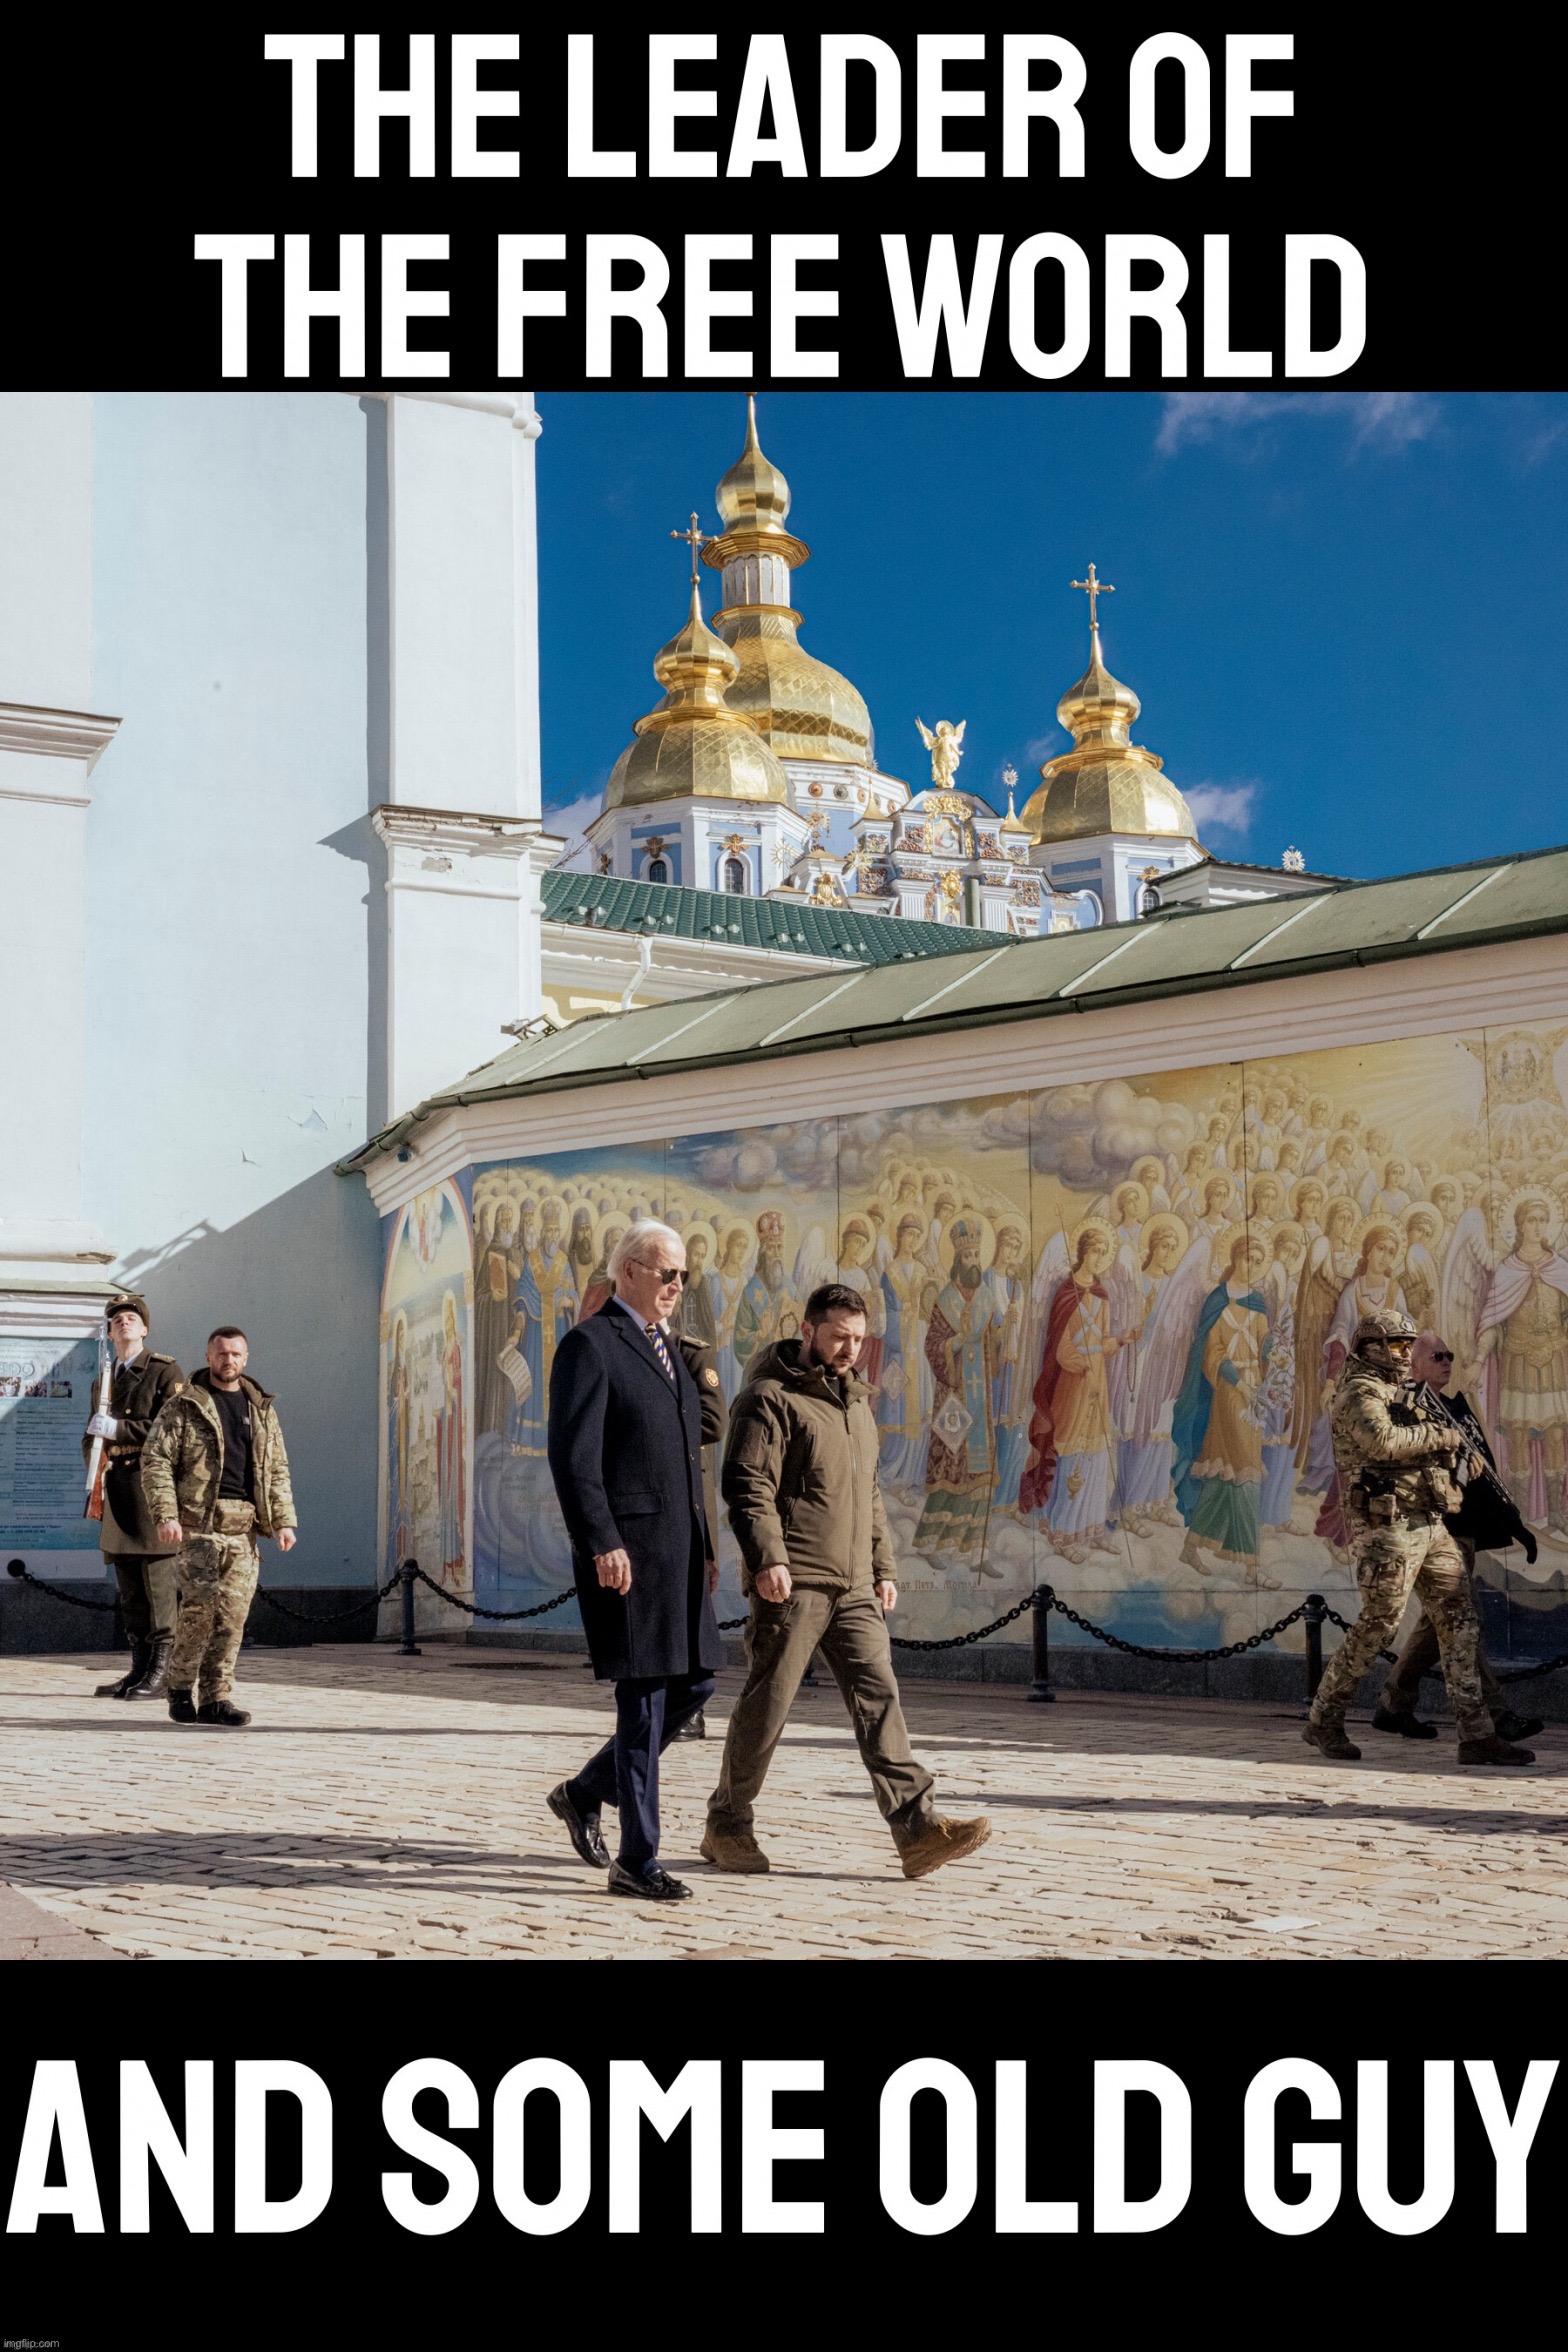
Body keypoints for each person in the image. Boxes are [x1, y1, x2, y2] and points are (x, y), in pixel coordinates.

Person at [703, 1282, 992, 1880]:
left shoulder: (856, 1403)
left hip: (855, 1585)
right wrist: (767, 1559)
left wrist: (882, 1566)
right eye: (838, 1336)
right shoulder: (768, 1398)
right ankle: (727, 1824)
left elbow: (870, 1495)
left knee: (880, 1699)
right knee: (769, 1704)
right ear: (807, 1329)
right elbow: (747, 1485)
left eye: (858, 1339)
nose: (849, 1349)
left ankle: (917, 1829)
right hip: (795, 1581)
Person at [545, 1222, 721, 1902]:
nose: (678, 1285)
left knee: (698, 1686)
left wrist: (703, 1548)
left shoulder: (671, 1349)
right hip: (629, 1555)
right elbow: (575, 1459)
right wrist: (602, 1542)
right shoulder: (591, 1345)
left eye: (683, 1275)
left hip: (677, 1558)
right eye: (665, 1272)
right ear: (627, 1273)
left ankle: (585, 1790)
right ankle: (636, 1860)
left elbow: (687, 1458)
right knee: (643, 1706)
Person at [1302, 1308, 1532, 1767]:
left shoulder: (1401, 1391)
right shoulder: (1358, 1392)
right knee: (1380, 1623)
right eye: (1395, 1345)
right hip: (1386, 1529)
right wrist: (1440, 1436)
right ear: (1369, 1347)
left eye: (1409, 1345)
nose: (1405, 1354)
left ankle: (1476, 1734)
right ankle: (1324, 1719)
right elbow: (1382, 1443)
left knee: (1460, 1622)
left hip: (1429, 1522)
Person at [1373, 1330, 1543, 1744]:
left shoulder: (1453, 1406)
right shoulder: (1408, 1409)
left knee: (1439, 1623)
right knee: (1465, 1622)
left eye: (1449, 1355)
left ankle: (1393, 1705)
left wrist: (1512, 1520)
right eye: (1436, 1357)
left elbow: (1480, 1469)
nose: (1446, 1362)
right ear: (1413, 1365)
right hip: (1436, 1532)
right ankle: (1495, 1717)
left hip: (1463, 1528)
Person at [141, 1326, 298, 1729]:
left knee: (232, 1617)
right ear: (209, 1357)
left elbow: (276, 1469)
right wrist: (166, 1515)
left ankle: (216, 1697)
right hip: (198, 1526)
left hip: (243, 1527)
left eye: (237, 1354)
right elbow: (156, 1461)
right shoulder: (186, 1406)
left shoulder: (260, 1408)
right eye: (222, 1353)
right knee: (199, 1611)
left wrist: (283, 1521)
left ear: (246, 1358)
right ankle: (179, 1688)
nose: (229, 1360)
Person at [82, 1295, 185, 1701]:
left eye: (131, 1319)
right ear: (109, 1333)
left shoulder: (163, 1371)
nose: (123, 1324)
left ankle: (163, 1672)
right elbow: (92, 1434)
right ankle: (139, 1667)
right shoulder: (102, 1381)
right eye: (116, 1320)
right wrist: (92, 1465)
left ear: (144, 1329)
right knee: (130, 1590)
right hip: (115, 1488)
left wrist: (118, 1429)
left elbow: (172, 1427)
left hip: (150, 1487)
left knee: (158, 1585)